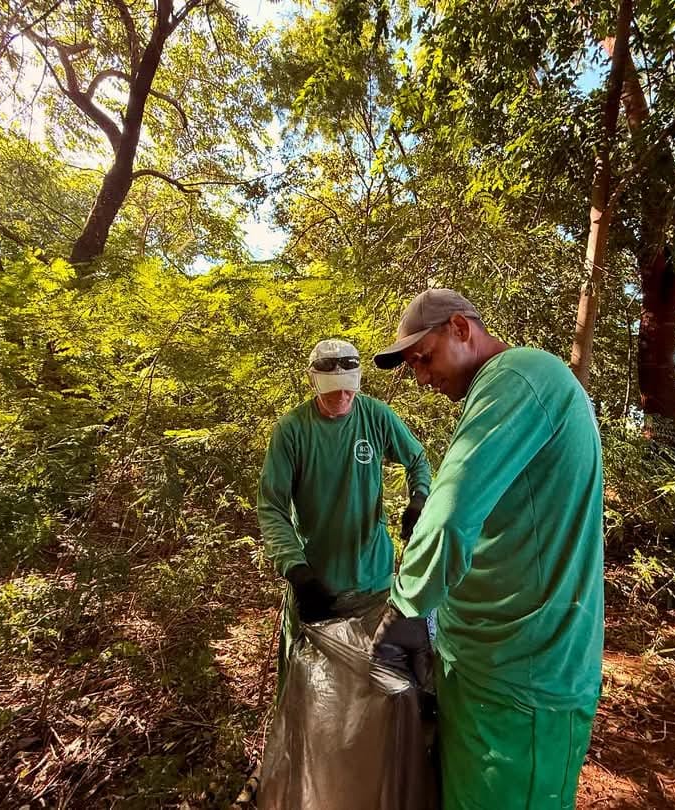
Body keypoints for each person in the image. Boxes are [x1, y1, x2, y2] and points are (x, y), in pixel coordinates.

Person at [371, 289, 604, 810]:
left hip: (524, 681)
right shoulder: (504, 389)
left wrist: (407, 608)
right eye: (412, 369)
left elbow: (452, 512)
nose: (422, 380)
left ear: (461, 328)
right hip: (483, 666)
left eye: (424, 359)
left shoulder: (521, 376)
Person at [257, 338, 432, 697]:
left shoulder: (376, 416)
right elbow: (271, 506)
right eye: (332, 392)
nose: (342, 398)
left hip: (375, 581)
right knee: (316, 694)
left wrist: (419, 498)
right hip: (318, 588)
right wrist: (296, 569)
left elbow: (417, 460)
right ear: (313, 383)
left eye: (348, 391)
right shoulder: (292, 431)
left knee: (378, 690)